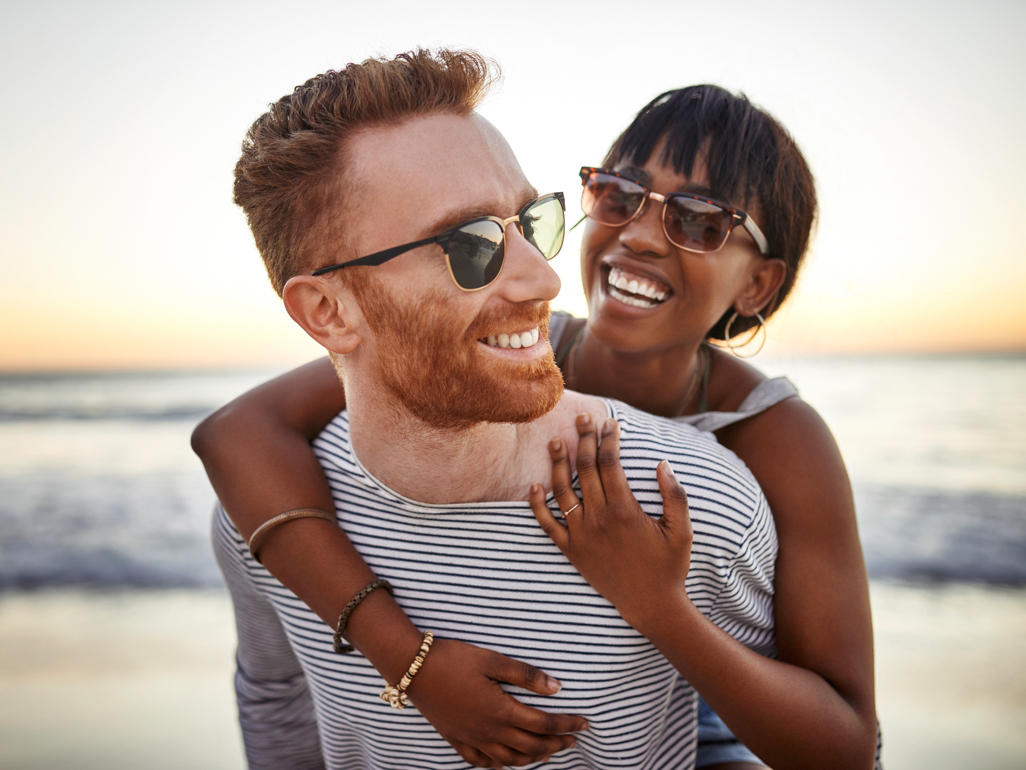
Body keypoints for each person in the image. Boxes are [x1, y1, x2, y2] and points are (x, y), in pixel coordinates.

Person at [196, 55, 879, 769]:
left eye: (700, 222)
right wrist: (406, 659)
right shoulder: (513, 349)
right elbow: (236, 433)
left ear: (758, 285)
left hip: (722, 719)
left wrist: (655, 606)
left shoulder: (771, 441)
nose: (641, 235)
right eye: (619, 196)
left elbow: (846, 739)